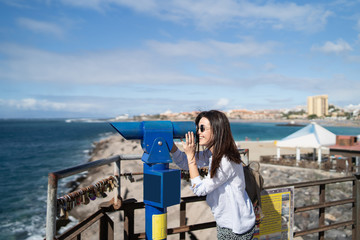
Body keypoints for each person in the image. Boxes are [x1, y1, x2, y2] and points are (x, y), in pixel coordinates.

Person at [170, 110, 255, 239]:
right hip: (229, 222)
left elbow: (200, 189)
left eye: (202, 128)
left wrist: (191, 155)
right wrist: (170, 145)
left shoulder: (225, 159)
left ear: (217, 130)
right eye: (197, 128)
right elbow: (184, 162)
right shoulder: (212, 153)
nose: (198, 132)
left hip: (236, 227)